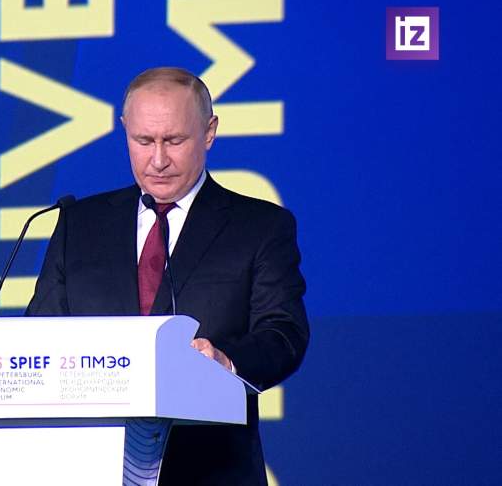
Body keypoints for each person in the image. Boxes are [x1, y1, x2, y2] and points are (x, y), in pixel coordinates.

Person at [25, 67, 309, 485]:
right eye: (143, 141)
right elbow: (39, 336)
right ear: (125, 129)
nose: (158, 160)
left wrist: (226, 361)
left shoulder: (260, 227)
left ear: (209, 132)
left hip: (210, 469)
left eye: (174, 141)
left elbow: (283, 333)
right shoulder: (78, 225)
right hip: (89, 467)